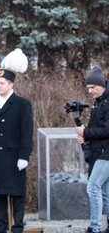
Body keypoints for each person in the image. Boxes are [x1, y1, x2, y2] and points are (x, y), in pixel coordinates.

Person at [0, 49, 33, 233]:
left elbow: (26, 133)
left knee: (17, 195)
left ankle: (17, 227)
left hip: (14, 156)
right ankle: (0, 228)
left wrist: (24, 155)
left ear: (11, 84)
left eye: (2, 83)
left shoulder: (22, 105)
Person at [76, 66, 109, 233]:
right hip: (100, 152)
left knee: (93, 186)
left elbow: (107, 130)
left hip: (106, 154)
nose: (89, 91)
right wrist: (85, 135)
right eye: (87, 88)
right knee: (104, 191)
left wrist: (85, 132)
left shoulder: (107, 102)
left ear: (101, 85)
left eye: (92, 87)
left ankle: (94, 228)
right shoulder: (99, 102)